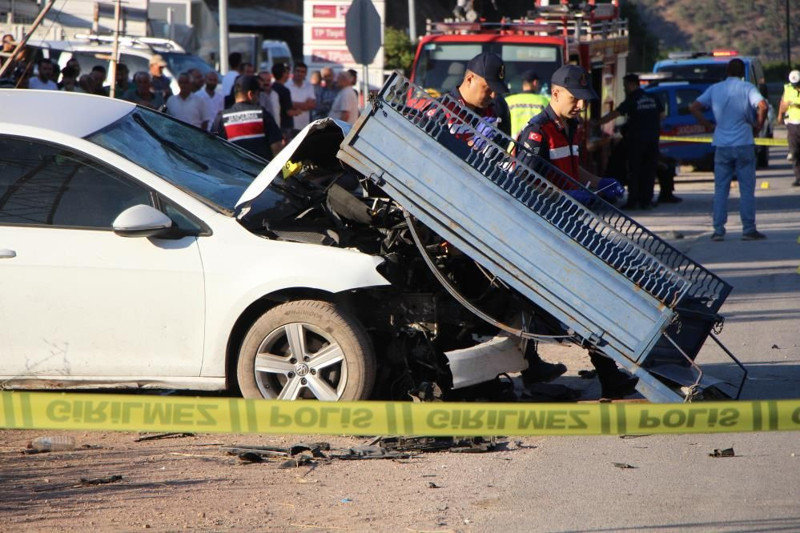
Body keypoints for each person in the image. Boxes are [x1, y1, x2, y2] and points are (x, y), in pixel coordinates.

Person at [515, 64, 636, 399]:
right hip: (547, 232)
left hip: (568, 227)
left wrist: (597, 184)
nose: (581, 104)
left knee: (578, 301)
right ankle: (607, 376)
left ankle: (602, 375)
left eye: (584, 99)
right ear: (555, 93)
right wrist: (569, 195)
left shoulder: (567, 127)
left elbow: (572, 169)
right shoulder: (537, 132)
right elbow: (524, 183)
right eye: (575, 98)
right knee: (583, 301)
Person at [689, 58, 768, 241]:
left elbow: (694, 107)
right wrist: (757, 125)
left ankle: (718, 230)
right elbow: (762, 105)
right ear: (742, 72)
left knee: (721, 189)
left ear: (727, 71)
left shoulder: (716, 89)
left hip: (722, 145)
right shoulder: (747, 88)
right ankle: (748, 229)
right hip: (743, 143)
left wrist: (708, 125)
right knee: (747, 189)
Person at [597, 73, 668, 209]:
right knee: (649, 171)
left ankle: (633, 201)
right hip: (652, 141)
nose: (624, 89)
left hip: (636, 142)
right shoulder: (653, 97)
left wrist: (596, 123)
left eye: (625, 86)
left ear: (631, 84)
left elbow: (615, 114)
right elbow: (662, 115)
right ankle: (646, 201)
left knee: (634, 171)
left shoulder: (633, 99)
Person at [211, 74, 283, 159]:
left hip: (235, 170)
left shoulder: (222, 118)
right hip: (262, 169)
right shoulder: (261, 114)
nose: (258, 98)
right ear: (250, 94)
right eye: (257, 94)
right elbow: (277, 147)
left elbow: (214, 148)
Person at [505, 70, 550, 139]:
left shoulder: (509, 100)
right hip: (534, 142)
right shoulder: (544, 101)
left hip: (512, 144)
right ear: (535, 83)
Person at [777, 70, 800, 187]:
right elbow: (783, 103)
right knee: (795, 152)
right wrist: (780, 115)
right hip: (792, 123)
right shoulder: (788, 89)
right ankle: (798, 177)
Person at [288, 62, 316, 131]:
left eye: (302, 72)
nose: (300, 73)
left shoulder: (309, 86)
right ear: (293, 72)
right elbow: (285, 106)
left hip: (304, 127)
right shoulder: (286, 86)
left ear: (306, 74)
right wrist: (305, 105)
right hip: (289, 126)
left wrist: (293, 104)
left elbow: (312, 105)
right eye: (298, 71)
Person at [271, 62, 295, 134]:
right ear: (283, 74)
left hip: (274, 124)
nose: (288, 75)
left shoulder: (272, 87)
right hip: (285, 126)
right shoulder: (284, 90)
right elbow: (289, 112)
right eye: (287, 73)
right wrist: (298, 111)